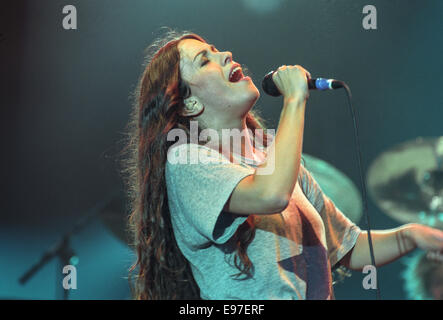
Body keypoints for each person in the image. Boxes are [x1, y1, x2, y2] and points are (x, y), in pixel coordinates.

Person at [122, 29, 443, 300]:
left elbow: (349, 246)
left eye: (216, 50)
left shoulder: (270, 156)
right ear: (190, 102)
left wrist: (413, 235)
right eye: (204, 60)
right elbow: (270, 196)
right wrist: (294, 99)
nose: (226, 55)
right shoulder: (187, 161)